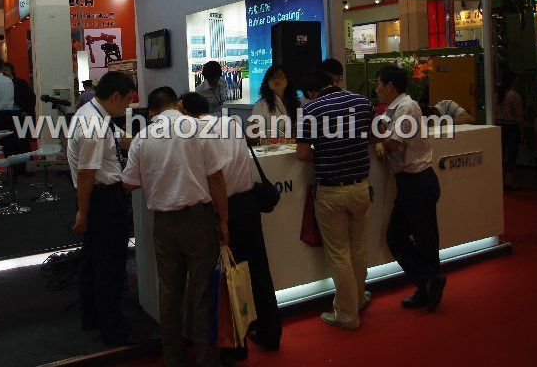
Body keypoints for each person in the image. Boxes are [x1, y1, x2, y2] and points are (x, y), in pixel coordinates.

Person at [122, 87, 229, 367]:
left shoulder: (142, 138)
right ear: (179, 104)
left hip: (164, 223)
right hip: (199, 220)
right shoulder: (199, 128)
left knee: (169, 294)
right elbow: (216, 177)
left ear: (151, 112)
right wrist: (224, 219)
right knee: (202, 292)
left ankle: (174, 358)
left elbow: (128, 183)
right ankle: (207, 359)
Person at [180, 92, 282, 354]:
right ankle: (271, 332)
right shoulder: (232, 124)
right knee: (258, 269)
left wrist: (220, 218)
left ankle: (235, 344)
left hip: (220, 209)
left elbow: (214, 177)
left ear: (184, 111)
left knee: (227, 276)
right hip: (247, 204)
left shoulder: (193, 133)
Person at [296, 70, 374, 329]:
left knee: (339, 254)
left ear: (311, 92)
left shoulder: (311, 110)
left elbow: (302, 154)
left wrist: (326, 152)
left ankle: (347, 314)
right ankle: (359, 299)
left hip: (331, 191)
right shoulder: (362, 101)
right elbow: (376, 135)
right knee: (358, 247)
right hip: (361, 187)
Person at [68, 71, 136, 346]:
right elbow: (86, 175)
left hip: (100, 197)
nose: (129, 105)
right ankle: (113, 330)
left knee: (93, 261)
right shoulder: (93, 125)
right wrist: (83, 213)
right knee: (110, 265)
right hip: (102, 200)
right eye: (128, 99)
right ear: (115, 96)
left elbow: (122, 139)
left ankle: (93, 317)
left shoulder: (93, 112)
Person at [374, 65, 446, 312]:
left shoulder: (406, 108)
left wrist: (378, 139)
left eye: (379, 84)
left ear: (390, 86)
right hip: (412, 181)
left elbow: (393, 143)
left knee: (415, 238)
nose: (377, 89)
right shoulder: (395, 108)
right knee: (415, 238)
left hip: (417, 181)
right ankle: (428, 283)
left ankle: (428, 283)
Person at [250, 64, 300, 141]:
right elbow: (254, 134)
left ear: (287, 79)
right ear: (267, 82)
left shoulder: (293, 103)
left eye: (279, 76)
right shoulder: (261, 105)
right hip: (269, 147)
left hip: (291, 146)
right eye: (272, 77)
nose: (276, 79)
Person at [494, 71, 524, 190]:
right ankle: (509, 180)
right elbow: (519, 116)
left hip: (499, 127)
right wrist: (522, 133)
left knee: (499, 154)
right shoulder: (514, 95)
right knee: (511, 155)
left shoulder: (497, 94)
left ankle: (498, 179)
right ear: (512, 81)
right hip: (511, 128)